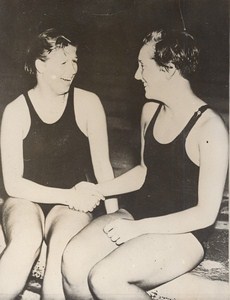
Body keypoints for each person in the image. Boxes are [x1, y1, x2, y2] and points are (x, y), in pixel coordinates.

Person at [61, 29, 228, 299]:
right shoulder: (150, 110)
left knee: (105, 278)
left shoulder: (210, 129)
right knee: (73, 259)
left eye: (142, 66)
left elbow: (205, 214)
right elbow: (144, 171)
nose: (137, 76)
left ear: (169, 69)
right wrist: (99, 189)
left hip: (184, 233)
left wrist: (139, 229)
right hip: (139, 213)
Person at [0, 28, 118, 300]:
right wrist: (70, 195)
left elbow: (103, 170)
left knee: (61, 251)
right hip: (25, 198)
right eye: (63, 62)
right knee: (25, 241)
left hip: (69, 206)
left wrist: (114, 220)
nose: (73, 69)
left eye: (75, 60)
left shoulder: (88, 103)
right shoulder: (16, 111)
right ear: (40, 65)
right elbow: (14, 183)